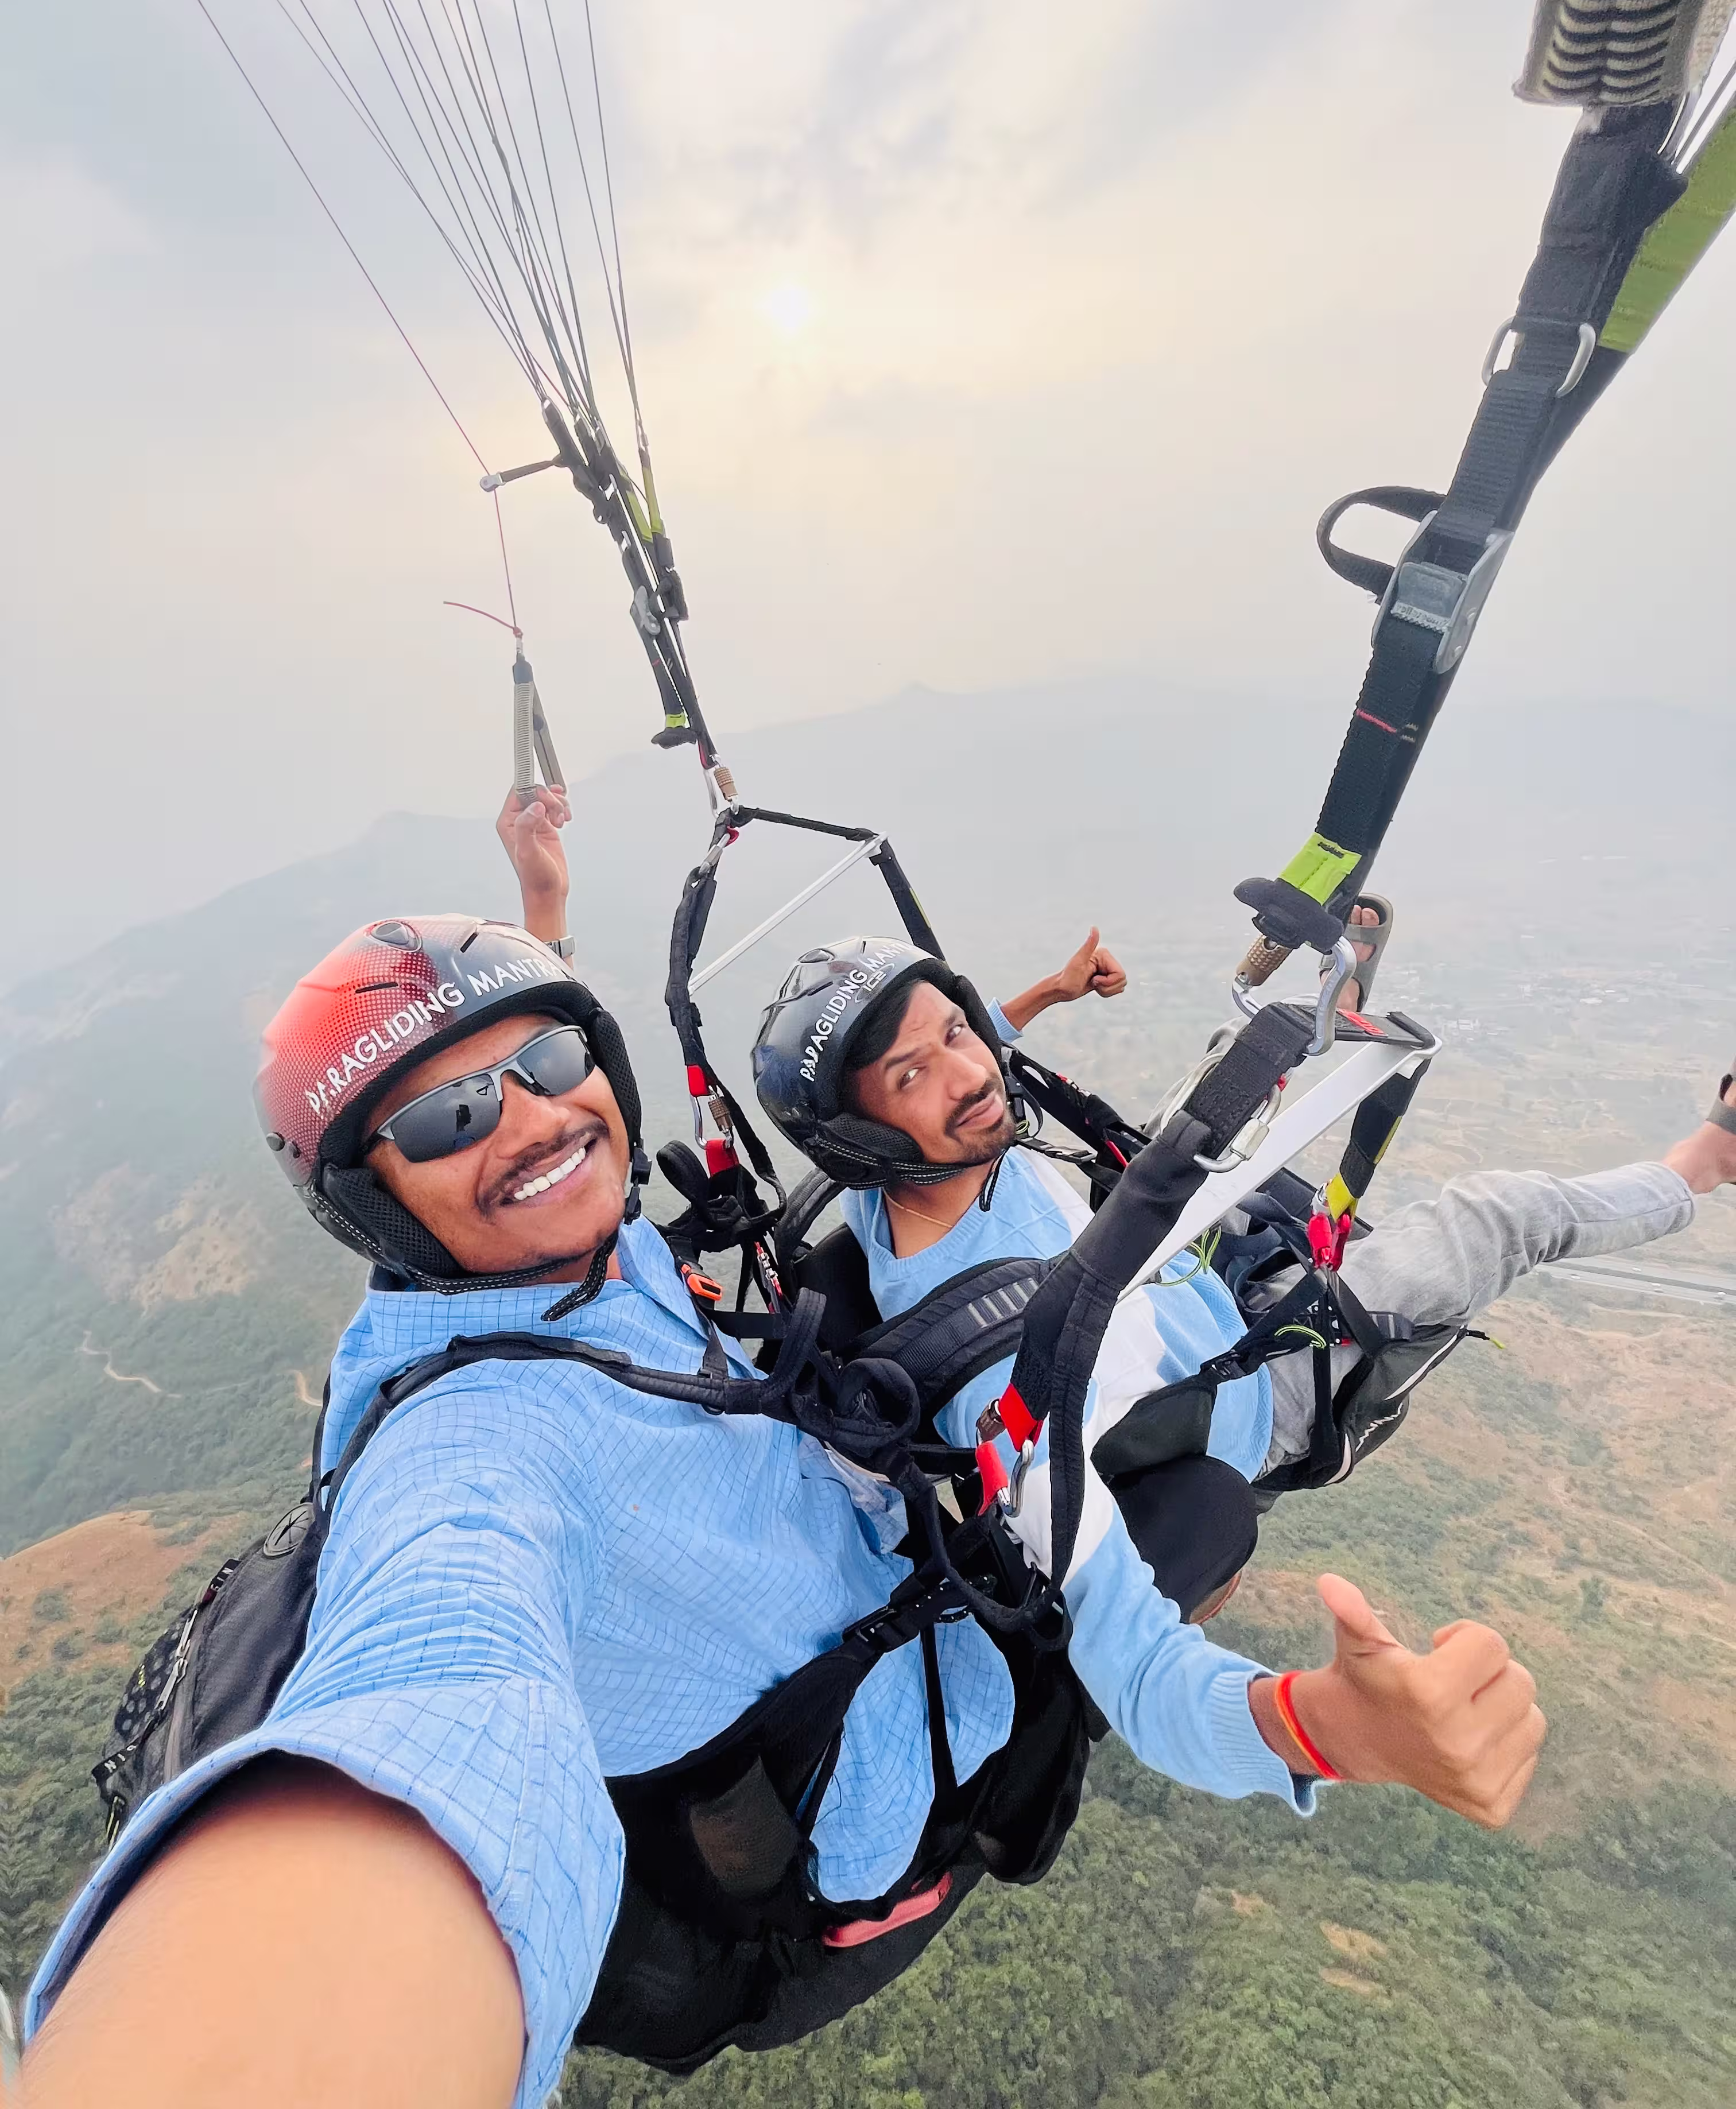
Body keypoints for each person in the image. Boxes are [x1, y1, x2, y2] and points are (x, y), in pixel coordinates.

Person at [21, 825, 1545, 2109]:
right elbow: (429, 1733)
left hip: (899, 1572)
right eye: (450, 1112)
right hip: (883, 1827)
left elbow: (554, 1134)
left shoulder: (560, 1249)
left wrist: (533, 908)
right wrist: (1334, 1726)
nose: (541, 1114)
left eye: (555, 1055)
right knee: (1195, 1510)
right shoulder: (471, 1466)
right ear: (374, 1198)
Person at [748, 920, 1735, 1633]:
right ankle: (1708, 1163)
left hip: (1196, 1276)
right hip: (1262, 1388)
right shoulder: (986, 1367)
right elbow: (1066, 1548)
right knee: (1499, 1216)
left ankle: (1322, 1020)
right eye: (912, 1078)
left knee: (1210, 1101)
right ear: (865, 1135)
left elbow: (969, 1055)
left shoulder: (899, 1183)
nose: (969, 1075)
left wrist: (1044, 994)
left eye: (954, 1035)